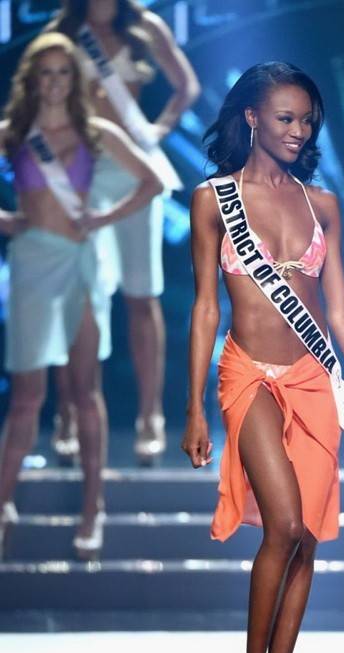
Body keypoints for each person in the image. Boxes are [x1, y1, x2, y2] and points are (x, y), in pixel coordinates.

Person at [181, 62, 344, 653]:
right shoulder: (213, 200)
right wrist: (192, 407)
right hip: (246, 374)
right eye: (284, 118)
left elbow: (342, 312)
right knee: (284, 525)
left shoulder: (322, 205)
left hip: (313, 380)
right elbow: (205, 308)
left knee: (305, 541)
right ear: (251, 117)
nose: (298, 130)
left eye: (306, 120)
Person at [0, 33, 161, 556]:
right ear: (32, 79)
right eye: (45, 73)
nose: (54, 82)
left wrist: (104, 217)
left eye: (63, 72)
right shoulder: (14, 133)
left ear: (75, 79)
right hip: (32, 263)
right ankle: (2, 503)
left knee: (86, 390)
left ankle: (93, 508)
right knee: (28, 396)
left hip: (81, 264)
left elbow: (153, 182)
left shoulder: (96, 132)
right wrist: (6, 220)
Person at [49, 0, 201, 464]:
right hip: (81, 172)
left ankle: (150, 415)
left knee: (141, 295)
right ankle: (70, 413)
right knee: (79, 296)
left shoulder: (144, 27)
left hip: (135, 171)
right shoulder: (65, 30)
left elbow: (187, 85)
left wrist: (159, 129)